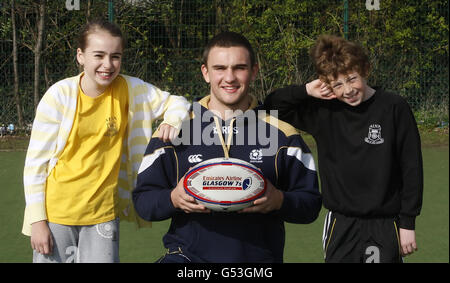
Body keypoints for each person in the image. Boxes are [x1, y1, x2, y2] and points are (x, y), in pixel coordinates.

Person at [132, 31, 322, 263]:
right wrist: (173, 198)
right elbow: (143, 201)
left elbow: (311, 204)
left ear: (253, 71)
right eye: (220, 68)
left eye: (239, 68)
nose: (229, 78)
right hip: (187, 260)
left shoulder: (283, 134)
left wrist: (280, 200)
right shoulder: (174, 129)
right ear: (206, 73)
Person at [22, 18, 190, 263]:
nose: (107, 65)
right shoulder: (58, 95)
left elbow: (177, 102)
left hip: (103, 214)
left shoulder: (131, 89)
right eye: (98, 55)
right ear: (80, 56)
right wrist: (37, 221)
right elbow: (35, 164)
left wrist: (172, 121)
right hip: (56, 214)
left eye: (115, 56)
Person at [264, 34, 423, 263]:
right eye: (337, 84)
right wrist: (307, 90)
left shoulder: (393, 107)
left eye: (352, 79)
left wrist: (407, 223)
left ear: (365, 69)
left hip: (386, 223)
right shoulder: (324, 112)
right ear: (326, 84)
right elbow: (270, 107)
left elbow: (412, 167)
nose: (347, 90)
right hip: (342, 224)